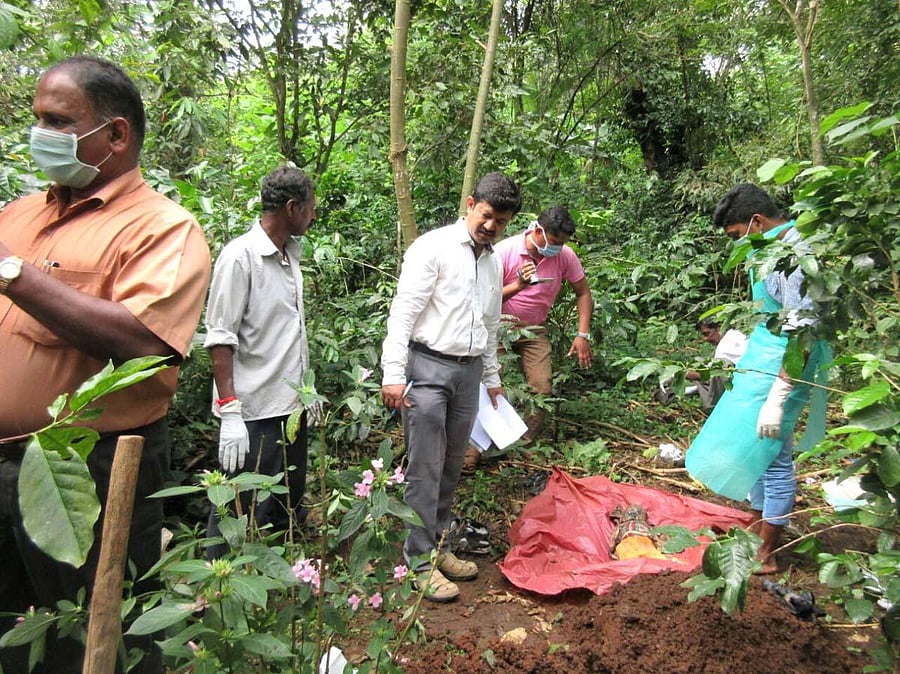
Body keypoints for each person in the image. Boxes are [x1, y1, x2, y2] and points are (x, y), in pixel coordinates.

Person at [0, 56, 211, 673]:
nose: (40, 133)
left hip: (89, 469)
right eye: (37, 118)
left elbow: (146, 341)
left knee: (97, 637)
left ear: (116, 134)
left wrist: (13, 273)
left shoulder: (162, 228)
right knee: (13, 635)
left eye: (58, 121)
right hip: (3, 463)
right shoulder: (17, 215)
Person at [380, 172, 521, 602]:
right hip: (427, 367)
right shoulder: (433, 248)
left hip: (469, 372)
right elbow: (403, 313)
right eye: (487, 215)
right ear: (470, 203)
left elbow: (491, 322)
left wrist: (492, 378)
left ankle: (437, 545)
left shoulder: (494, 262)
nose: (491, 226)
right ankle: (417, 561)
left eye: (501, 220)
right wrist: (392, 371)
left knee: (452, 464)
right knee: (425, 464)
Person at [686, 183, 829, 574]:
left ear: (756, 222)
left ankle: (766, 552)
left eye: (737, 235)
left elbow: (802, 332)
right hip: (765, 355)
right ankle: (754, 530)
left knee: (774, 454)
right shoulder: (772, 250)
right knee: (754, 447)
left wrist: (781, 393)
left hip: (789, 361)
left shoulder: (796, 256)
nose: (737, 244)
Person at [204, 166, 316, 558]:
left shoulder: (290, 255)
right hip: (253, 412)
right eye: (310, 208)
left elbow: (288, 333)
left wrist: (307, 391)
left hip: (290, 407)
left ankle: (274, 592)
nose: (314, 216)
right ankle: (217, 590)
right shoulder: (240, 257)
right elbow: (220, 338)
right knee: (237, 505)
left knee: (284, 501)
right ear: (291, 208)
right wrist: (229, 411)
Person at [478, 205, 592, 460]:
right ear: (537, 230)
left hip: (535, 330)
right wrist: (518, 285)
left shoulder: (565, 256)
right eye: (553, 242)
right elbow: (485, 298)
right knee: (491, 388)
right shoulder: (504, 251)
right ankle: (477, 449)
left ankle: (523, 448)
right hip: (498, 327)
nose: (557, 248)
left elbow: (583, 292)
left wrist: (582, 334)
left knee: (541, 387)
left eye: (562, 243)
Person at [682, 318, 748, 410]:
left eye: (707, 334)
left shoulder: (725, 345)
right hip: (739, 374)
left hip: (743, 382)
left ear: (719, 328)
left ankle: (714, 406)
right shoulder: (734, 334)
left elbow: (712, 374)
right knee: (698, 362)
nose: (705, 339)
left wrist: (690, 374)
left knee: (717, 367)